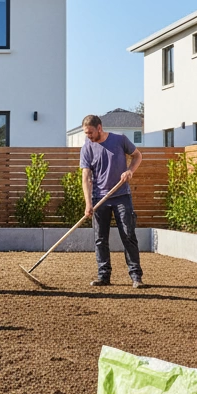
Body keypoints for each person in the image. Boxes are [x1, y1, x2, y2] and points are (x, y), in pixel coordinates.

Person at [80, 114, 144, 289]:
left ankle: (136, 276)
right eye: (86, 133)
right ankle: (103, 276)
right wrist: (88, 203)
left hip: (121, 196)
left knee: (128, 235)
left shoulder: (119, 140)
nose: (88, 136)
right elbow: (86, 177)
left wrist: (130, 171)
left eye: (90, 132)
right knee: (100, 239)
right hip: (99, 199)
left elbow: (137, 156)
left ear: (99, 128)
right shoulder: (87, 148)